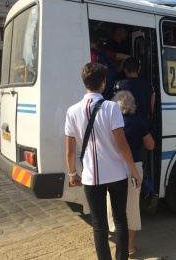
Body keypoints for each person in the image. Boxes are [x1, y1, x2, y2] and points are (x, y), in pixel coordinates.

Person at [65, 62, 141, 260]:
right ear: (103, 83)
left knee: (99, 226)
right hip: (116, 174)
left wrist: (73, 174)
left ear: (85, 83)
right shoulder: (112, 108)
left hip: (91, 178)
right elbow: (122, 145)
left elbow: (70, 150)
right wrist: (134, 171)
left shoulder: (72, 111)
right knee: (120, 220)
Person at [107, 90, 154, 257]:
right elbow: (150, 146)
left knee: (114, 206)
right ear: (132, 104)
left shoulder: (109, 120)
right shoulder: (139, 121)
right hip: (134, 168)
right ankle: (130, 246)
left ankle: (117, 243)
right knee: (132, 206)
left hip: (112, 169)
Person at [114, 57, 156, 197]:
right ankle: (144, 187)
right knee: (141, 158)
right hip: (142, 127)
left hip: (122, 126)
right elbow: (151, 105)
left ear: (125, 70)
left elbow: (114, 106)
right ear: (139, 69)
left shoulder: (119, 84)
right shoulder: (148, 85)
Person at [90, 30, 120, 100]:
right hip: (106, 86)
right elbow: (125, 57)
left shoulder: (88, 54)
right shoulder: (104, 53)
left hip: (95, 88)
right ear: (97, 42)